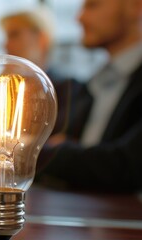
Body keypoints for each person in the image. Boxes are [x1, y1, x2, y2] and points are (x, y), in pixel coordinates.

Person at [36, 0, 142, 192]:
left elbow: (125, 167)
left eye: (93, 5)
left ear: (135, 6)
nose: (80, 17)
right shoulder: (97, 83)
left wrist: (31, 154)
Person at [0, 8, 81, 134]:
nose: (6, 44)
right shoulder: (4, 87)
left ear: (42, 39)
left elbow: (58, 141)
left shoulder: (67, 88)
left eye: (14, 35)